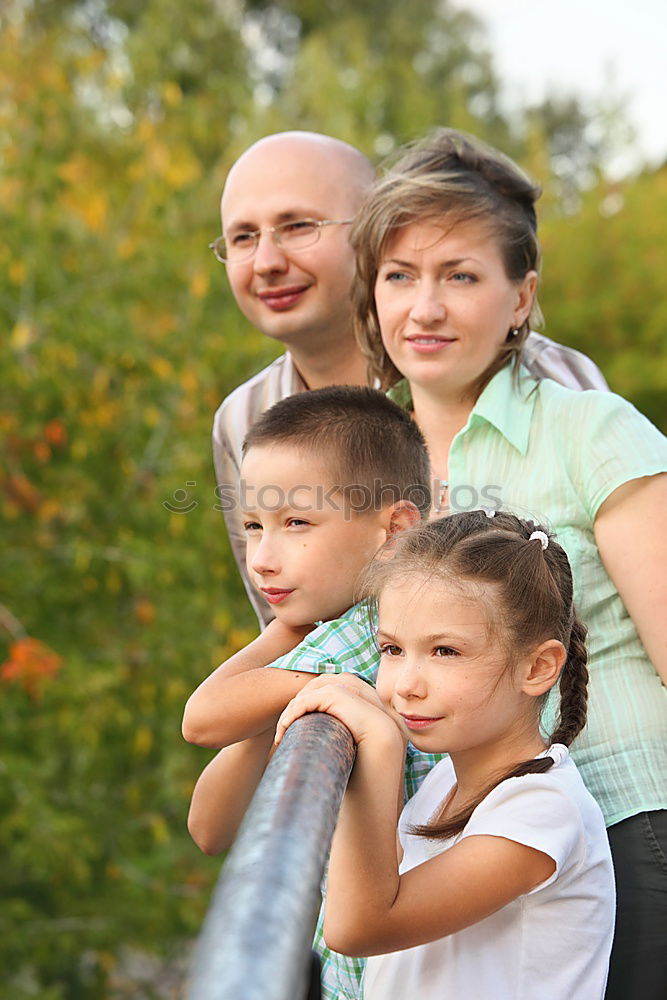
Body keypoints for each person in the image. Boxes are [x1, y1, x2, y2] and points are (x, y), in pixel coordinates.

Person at [347, 126, 667, 999]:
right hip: (460, 846)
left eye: (460, 276)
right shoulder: (370, 469)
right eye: (399, 276)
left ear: (520, 296)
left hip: (631, 820)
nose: (424, 308)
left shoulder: (592, 430)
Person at [210, 130, 609, 627]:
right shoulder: (243, 419)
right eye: (243, 237)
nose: (267, 262)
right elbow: (288, 627)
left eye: (298, 226)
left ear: (374, 236)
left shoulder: (540, 378)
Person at [276, 511, 616, 1000]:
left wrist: (379, 743)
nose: (406, 686)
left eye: (445, 652)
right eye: (392, 649)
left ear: (538, 667)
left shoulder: (542, 811)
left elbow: (357, 929)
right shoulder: (446, 784)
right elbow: (380, 880)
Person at [183, 385, 442, 1000]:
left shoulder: (370, 637)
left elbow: (201, 720)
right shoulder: (341, 635)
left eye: (296, 523)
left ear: (395, 528)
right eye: (252, 526)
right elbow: (211, 826)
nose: (263, 560)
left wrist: (287, 643)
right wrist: (292, 636)